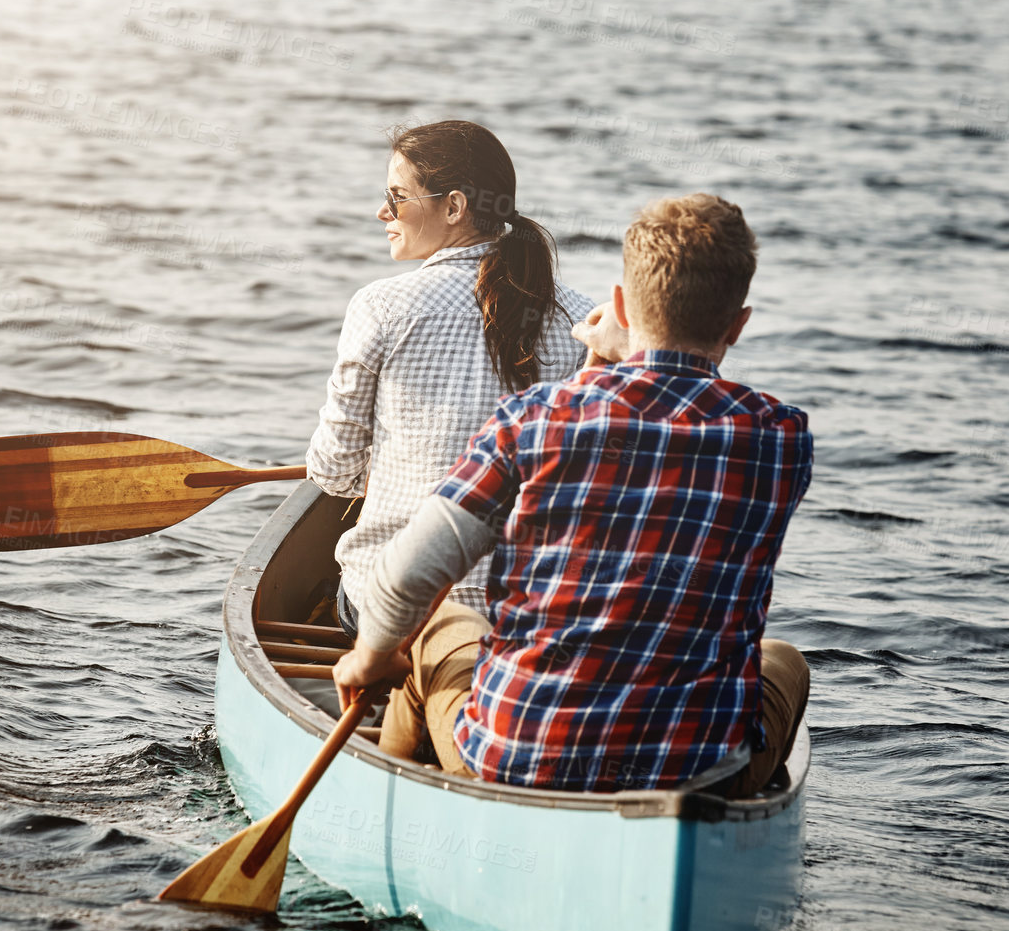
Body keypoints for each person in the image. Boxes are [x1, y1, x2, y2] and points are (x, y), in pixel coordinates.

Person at [331, 194, 812, 796]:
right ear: (738, 324)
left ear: (619, 304)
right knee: (784, 661)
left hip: (520, 757)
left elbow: (406, 575)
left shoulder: (535, 419)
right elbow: (652, 465)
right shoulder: (781, 437)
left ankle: (391, 795)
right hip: (694, 775)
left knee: (434, 622)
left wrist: (371, 658)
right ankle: (729, 827)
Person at [306, 121, 593, 636]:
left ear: (454, 207)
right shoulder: (583, 321)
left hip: (393, 609)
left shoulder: (381, 306)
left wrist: (379, 468)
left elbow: (333, 473)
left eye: (396, 198)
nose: (382, 213)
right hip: (520, 614)